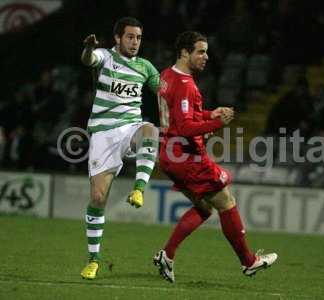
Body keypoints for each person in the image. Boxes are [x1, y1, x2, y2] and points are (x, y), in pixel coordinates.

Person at [153, 31, 278, 283]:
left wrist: (210, 115)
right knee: (226, 201)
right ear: (185, 52)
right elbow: (186, 128)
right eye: (200, 51)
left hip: (168, 154)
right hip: (187, 157)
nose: (206, 56)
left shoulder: (166, 76)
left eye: (206, 51)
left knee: (205, 207)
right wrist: (217, 123)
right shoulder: (186, 84)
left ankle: (167, 254)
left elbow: (181, 118)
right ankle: (249, 261)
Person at [80, 17, 159, 279]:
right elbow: (89, 60)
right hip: (103, 133)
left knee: (150, 130)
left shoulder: (145, 67)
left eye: (138, 37)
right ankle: (93, 260)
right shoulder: (105, 56)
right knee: (98, 198)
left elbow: (165, 90)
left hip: (129, 128)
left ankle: (139, 190)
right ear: (117, 38)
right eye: (130, 37)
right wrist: (89, 49)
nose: (135, 42)